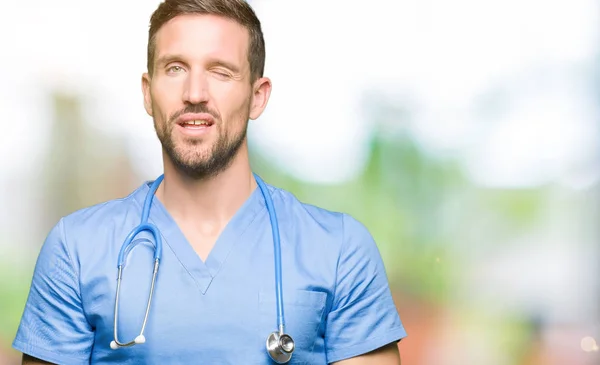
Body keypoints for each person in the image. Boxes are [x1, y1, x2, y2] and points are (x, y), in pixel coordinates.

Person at [13, 0, 407, 364]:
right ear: (149, 94)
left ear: (257, 96)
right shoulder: (76, 250)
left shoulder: (339, 251)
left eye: (220, 72)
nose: (195, 94)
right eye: (175, 68)